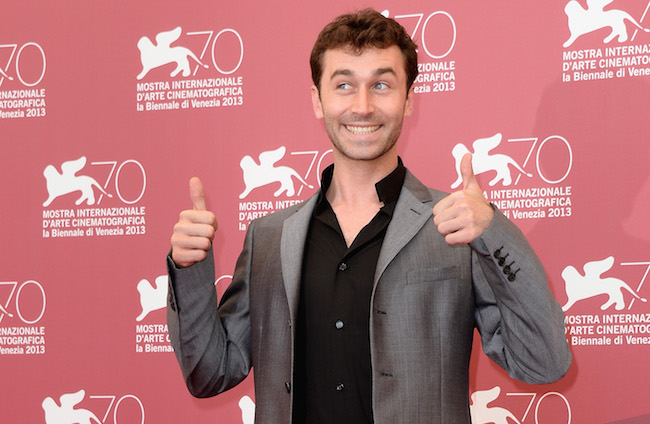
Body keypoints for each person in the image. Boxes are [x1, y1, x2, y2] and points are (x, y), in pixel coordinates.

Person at [167, 9, 571, 424]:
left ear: (408, 98)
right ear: (317, 99)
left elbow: (543, 362)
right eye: (344, 85)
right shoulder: (269, 237)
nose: (362, 106)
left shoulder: (456, 227)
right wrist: (189, 269)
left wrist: (494, 232)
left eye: (381, 84)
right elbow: (209, 373)